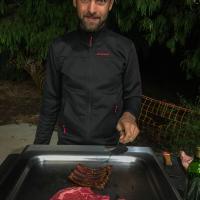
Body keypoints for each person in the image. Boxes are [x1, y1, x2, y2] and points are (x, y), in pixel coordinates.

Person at [34, 0, 142, 145]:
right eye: (85, 0)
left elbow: (133, 95)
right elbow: (50, 102)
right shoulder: (59, 48)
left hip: (111, 146)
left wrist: (129, 116)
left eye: (101, 1)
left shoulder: (125, 48)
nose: (91, 9)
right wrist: (38, 149)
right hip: (68, 145)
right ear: (74, 2)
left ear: (110, 4)